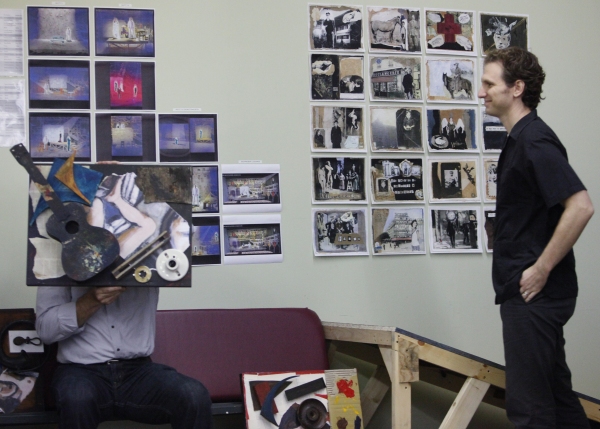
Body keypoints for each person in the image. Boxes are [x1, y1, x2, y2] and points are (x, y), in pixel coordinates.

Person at [479, 47, 594, 428]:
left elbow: (580, 206)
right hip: (533, 294)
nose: (481, 92)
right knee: (559, 401)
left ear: (517, 88)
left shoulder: (534, 140)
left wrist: (541, 269)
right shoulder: (518, 137)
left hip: (535, 296)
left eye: (488, 84)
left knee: (530, 411)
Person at [36, 286, 213, 429]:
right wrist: (91, 300)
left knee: (193, 395)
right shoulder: (57, 259)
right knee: (77, 398)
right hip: (81, 370)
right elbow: (46, 331)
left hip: (138, 371)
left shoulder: (151, 254)